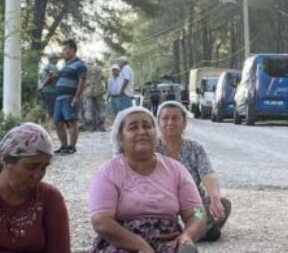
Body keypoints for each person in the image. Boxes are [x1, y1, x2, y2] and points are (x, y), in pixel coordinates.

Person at [88, 107, 205, 253]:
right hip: (122, 244)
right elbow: (101, 222)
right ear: (121, 138)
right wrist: (141, 245)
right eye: (133, 128)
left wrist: (188, 235)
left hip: (168, 242)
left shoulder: (177, 170)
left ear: (155, 134)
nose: (142, 131)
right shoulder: (108, 173)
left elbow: (198, 213)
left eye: (147, 126)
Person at [0, 122, 70, 253]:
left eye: (44, 168)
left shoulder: (50, 198)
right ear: (6, 159)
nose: (38, 175)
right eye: (31, 167)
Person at [155, 101, 231, 242]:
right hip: (163, 207)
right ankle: (196, 233)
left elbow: (208, 173)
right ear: (158, 123)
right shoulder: (152, 148)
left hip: (192, 208)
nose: (170, 122)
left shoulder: (194, 148)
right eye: (165, 118)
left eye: (175, 118)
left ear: (184, 123)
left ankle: (186, 232)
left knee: (221, 206)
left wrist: (214, 198)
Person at [53, 39, 87, 154]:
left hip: (70, 97)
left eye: (65, 49)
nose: (64, 51)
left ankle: (72, 147)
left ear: (72, 50)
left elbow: (82, 81)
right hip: (59, 98)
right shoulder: (65, 66)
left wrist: (77, 97)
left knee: (72, 121)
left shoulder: (80, 64)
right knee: (58, 122)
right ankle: (63, 146)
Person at [82, 58, 107, 132]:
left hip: (88, 91)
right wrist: (105, 88)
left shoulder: (84, 69)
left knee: (88, 109)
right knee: (101, 109)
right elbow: (104, 78)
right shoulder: (98, 69)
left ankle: (90, 127)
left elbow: (81, 80)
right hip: (99, 91)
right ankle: (101, 126)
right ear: (93, 62)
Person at [37, 52, 60, 123]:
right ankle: (48, 129)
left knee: (47, 110)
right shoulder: (53, 67)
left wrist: (41, 87)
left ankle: (47, 128)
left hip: (45, 92)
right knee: (51, 112)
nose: (58, 60)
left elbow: (41, 79)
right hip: (51, 92)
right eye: (57, 59)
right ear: (53, 59)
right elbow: (51, 77)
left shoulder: (45, 68)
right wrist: (43, 85)